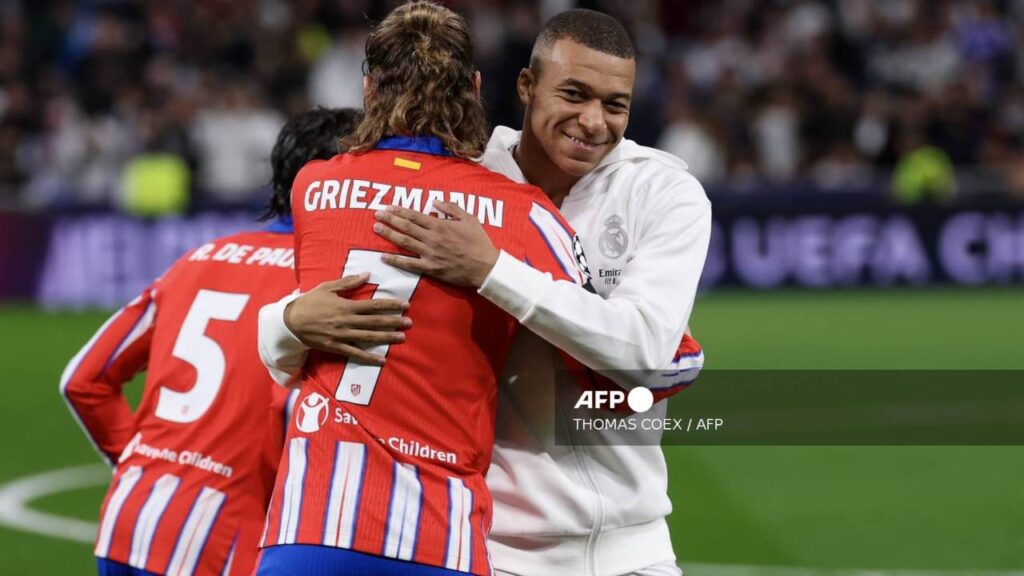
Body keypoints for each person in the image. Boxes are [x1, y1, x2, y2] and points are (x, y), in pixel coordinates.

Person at [259, 9, 711, 576]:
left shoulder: (665, 191)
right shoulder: (467, 180)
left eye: (614, 104)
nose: (592, 121)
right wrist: (288, 321)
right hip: (494, 548)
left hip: (633, 547)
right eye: (573, 94)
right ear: (526, 85)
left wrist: (491, 271)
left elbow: (648, 355)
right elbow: (331, 284)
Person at [60, 107, 373, 576]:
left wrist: (149, 467)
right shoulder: (325, 288)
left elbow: (82, 379)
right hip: (225, 539)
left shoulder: (199, 257)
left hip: (131, 519)